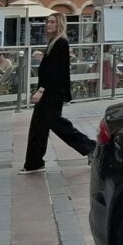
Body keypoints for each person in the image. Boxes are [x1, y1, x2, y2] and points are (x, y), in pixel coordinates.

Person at [21, 14, 95, 173]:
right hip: (50, 92)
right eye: (48, 21)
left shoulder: (60, 43)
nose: (48, 24)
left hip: (52, 93)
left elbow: (55, 72)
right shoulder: (53, 42)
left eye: (53, 22)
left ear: (59, 24)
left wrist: (40, 91)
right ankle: (34, 162)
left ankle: (90, 147)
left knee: (58, 125)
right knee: (39, 127)